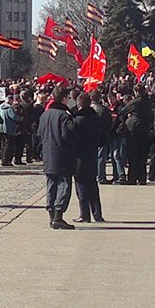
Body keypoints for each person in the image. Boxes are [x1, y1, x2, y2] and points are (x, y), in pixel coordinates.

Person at [39, 86, 76, 229]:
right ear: (64, 98)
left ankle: (51, 214)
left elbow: (39, 134)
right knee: (64, 184)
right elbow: (68, 136)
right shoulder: (64, 116)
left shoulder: (45, 115)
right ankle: (58, 214)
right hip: (62, 154)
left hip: (48, 154)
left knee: (51, 184)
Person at [72, 92, 104, 223]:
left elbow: (73, 139)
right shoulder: (96, 119)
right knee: (92, 185)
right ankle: (97, 213)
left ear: (79, 105)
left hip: (80, 156)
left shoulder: (78, 121)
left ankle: (84, 214)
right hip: (92, 154)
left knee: (81, 186)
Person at [119, 85, 154, 185]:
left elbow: (123, 110)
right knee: (143, 155)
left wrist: (129, 115)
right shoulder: (148, 102)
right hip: (145, 129)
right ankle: (142, 178)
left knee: (133, 155)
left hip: (134, 130)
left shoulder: (136, 102)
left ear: (136, 91)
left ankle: (132, 178)